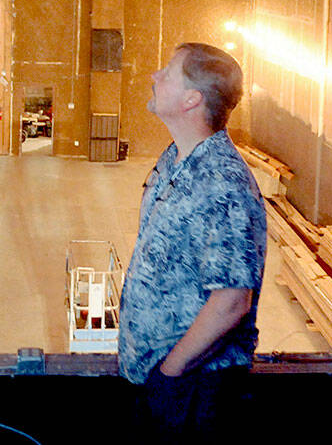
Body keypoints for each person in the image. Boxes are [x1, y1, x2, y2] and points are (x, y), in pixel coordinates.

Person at [117, 42, 267, 439]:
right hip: (160, 379)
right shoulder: (179, 158)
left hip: (194, 392)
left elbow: (232, 300)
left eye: (167, 71)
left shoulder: (222, 182)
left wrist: (171, 372)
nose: (155, 76)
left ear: (191, 99)